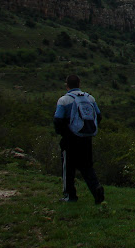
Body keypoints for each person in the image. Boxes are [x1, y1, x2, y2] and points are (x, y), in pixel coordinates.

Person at [53, 74, 105, 204]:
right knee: (87, 166)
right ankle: (96, 189)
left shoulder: (64, 100)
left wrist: (64, 133)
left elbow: (57, 120)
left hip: (70, 139)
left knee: (68, 168)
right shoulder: (90, 98)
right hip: (86, 139)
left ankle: (70, 196)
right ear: (79, 84)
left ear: (67, 85)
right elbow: (98, 117)